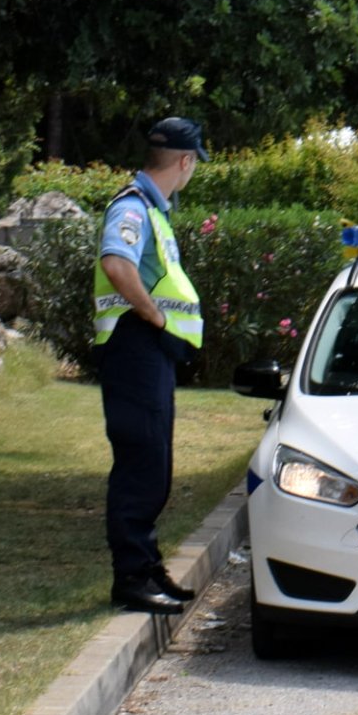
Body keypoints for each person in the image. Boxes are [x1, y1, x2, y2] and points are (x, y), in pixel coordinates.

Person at [92, 117, 207, 614]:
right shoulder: (133, 208)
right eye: (195, 162)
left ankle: (147, 566)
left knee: (153, 463)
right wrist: (153, 314)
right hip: (134, 347)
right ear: (184, 161)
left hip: (146, 352)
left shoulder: (152, 211)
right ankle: (133, 578)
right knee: (142, 463)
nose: (193, 170)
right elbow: (116, 263)